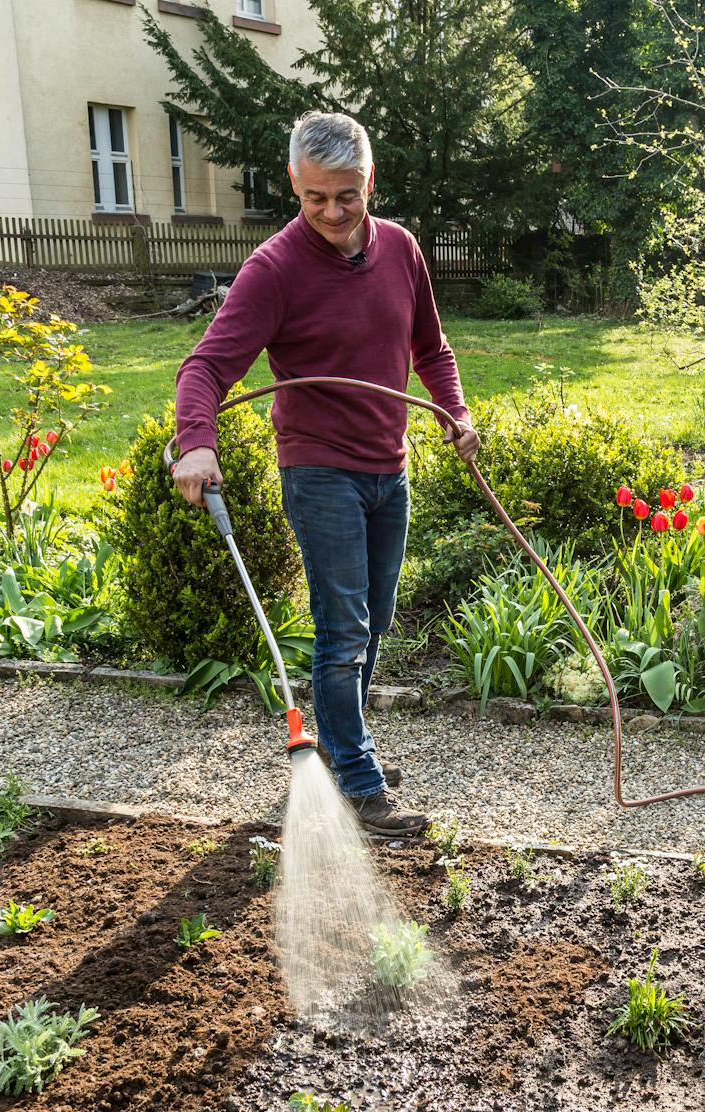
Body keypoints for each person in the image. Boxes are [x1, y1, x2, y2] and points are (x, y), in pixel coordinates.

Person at [171, 110, 477, 838]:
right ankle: (361, 788)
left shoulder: (400, 249)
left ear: (370, 181)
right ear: (294, 185)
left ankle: (346, 751)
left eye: (347, 195)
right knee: (342, 632)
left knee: (372, 628)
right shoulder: (273, 270)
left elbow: (431, 349)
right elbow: (207, 366)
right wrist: (197, 441)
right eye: (316, 198)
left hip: (387, 468)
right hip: (319, 471)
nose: (333, 212)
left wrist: (453, 411)